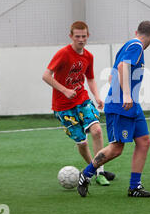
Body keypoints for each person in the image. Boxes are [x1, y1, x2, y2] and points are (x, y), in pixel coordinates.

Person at [76, 21, 150, 198]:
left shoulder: (129, 45)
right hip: (122, 104)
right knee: (116, 148)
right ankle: (86, 174)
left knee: (144, 141)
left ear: (137, 31)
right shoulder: (137, 46)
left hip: (131, 104)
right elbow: (122, 67)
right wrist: (126, 94)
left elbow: (115, 72)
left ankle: (135, 187)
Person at [42, 21, 115, 186]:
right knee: (82, 143)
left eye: (84, 36)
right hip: (63, 106)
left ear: (88, 36)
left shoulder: (88, 56)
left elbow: (90, 78)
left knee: (96, 131)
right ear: (71, 36)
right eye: (77, 36)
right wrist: (65, 90)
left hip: (82, 100)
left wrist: (97, 96)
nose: (81, 39)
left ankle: (99, 172)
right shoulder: (63, 54)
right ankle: (94, 169)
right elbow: (46, 76)